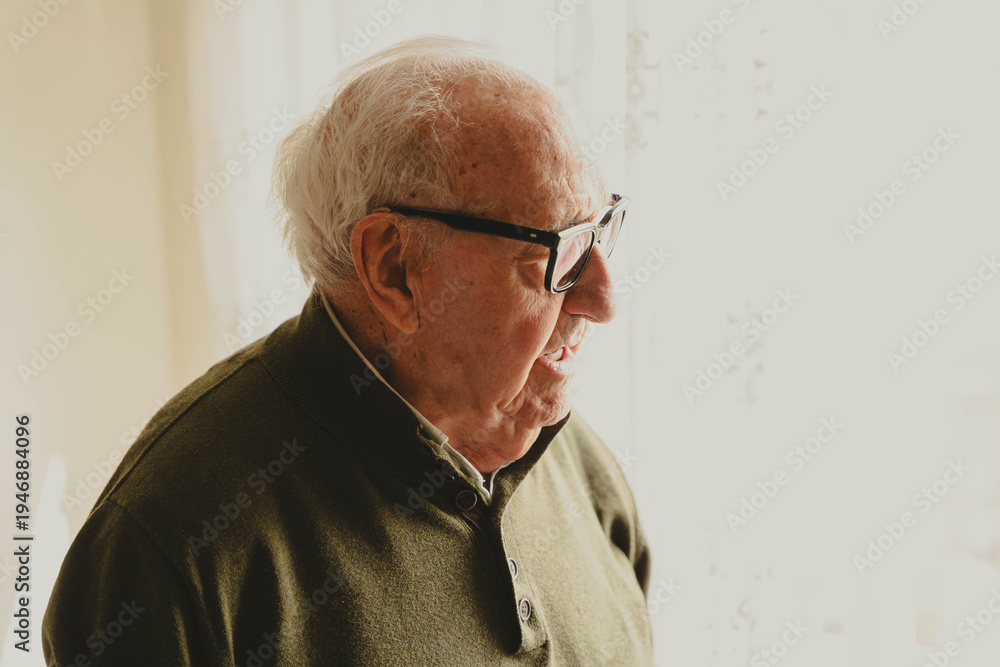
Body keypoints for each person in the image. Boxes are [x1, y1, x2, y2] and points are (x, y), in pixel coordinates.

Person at [42, 35, 653, 665]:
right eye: (561, 254)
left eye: (603, 228)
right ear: (394, 269)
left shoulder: (580, 464)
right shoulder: (170, 550)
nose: (604, 298)